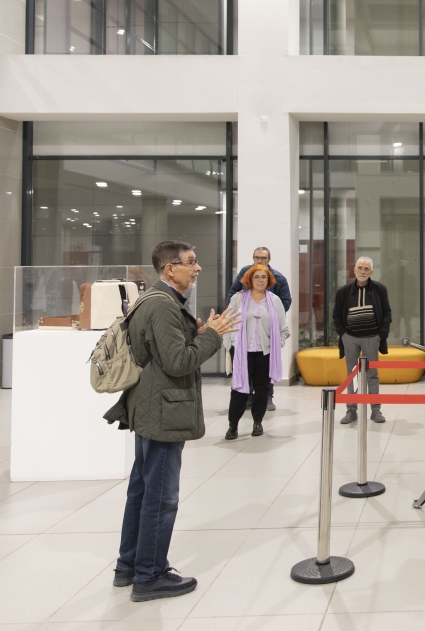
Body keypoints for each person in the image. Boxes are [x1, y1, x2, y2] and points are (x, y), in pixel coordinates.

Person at [105, 241, 240, 602]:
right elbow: (179, 362)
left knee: (142, 489)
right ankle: (150, 575)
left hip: (150, 406)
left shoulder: (154, 300)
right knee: (161, 496)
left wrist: (198, 334)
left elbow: (165, 354)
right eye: (191, 263)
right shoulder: (163, 307)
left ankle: (129, 565)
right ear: (169, 269)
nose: (197, 269)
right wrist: (212, 335)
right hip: (163, 410)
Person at [222, 264, 290, 440]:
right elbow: (227, 324)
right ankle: (233, 426)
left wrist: (277, 344)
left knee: (262, 389)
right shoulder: (238, 298)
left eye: (264, 277)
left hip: (264, 353)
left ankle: (257, 422)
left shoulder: (274, 300)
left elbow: (284, 329)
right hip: (242, 352)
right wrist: (229, 345)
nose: (260, 280)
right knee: (239, 389)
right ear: (249, 279)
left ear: (269, 280)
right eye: (257, 277)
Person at [332, 257, 392, 425]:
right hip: (350, 338)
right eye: (360, 268)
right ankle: (351, 411)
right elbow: (336, 315)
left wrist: (381, 335)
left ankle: (375, 410)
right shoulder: (343, 292)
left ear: (371, 272)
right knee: (351, 376)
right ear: (354, 270)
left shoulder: (380, 289)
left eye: (366, 269)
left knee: (372, 375)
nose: (363, 272)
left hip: (372, 338)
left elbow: (387, 313)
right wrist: (343, 334)